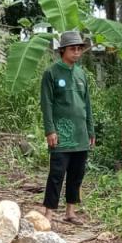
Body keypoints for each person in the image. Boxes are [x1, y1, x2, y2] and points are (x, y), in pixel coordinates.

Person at [40, 30, 95, 225]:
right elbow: (46, 104)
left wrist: (91, 130)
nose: (77, 52)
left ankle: (70, 211)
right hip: (61, 133)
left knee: (77, 173)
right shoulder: (51, 73)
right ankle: (49, 212)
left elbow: (87, 104)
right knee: (57, 173)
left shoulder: (81, 75)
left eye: (79, 49)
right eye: (73, 49)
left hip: (80, 133)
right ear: (62, 50)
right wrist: (50, 130)